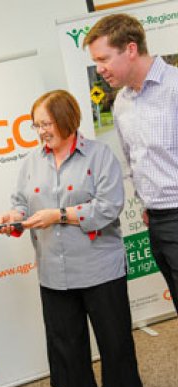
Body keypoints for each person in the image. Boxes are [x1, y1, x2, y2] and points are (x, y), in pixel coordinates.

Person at [0, 90, 142, 387]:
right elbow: (22, 202)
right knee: (66, 349)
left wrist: (59, 215)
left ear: (67, 119)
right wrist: (14, 217)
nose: (41, 131)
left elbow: (108, 207)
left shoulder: (100, 156)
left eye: (46, 123)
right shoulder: (31, 162)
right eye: (36, 125)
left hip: (100, 270)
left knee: (115, 344)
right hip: (54, 274)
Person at [83, 13, 178, 313]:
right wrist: (146, 205)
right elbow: (133, 159)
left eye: (103, 59)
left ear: (131, 49)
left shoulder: (175, 88)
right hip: (157, 220)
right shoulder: (122, 102)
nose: (99, 69)